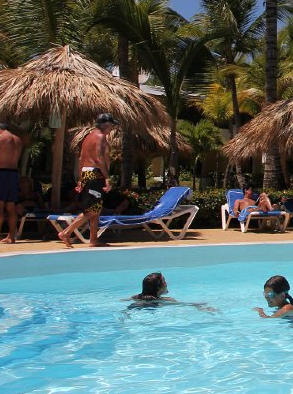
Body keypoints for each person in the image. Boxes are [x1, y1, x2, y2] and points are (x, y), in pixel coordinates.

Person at [58, 113, 117, 248]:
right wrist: (107, 178)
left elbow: (81, 159)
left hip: (87, 173)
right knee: (92, 210)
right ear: (106, 124)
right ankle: (66, 232)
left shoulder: (88, 137)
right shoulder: (100, 137)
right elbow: (99, 159)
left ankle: (93, 240)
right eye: (111, 126)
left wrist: (80, 179)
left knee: (96, 208)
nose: (112, 128)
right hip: (95, 175)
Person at [127, 272, 216, 312]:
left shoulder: (135, 297)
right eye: (164, 282)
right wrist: (198, 305)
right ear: (159, 288)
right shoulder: (167, 300)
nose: (167, 284)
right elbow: (184, 304)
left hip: (135, 308)